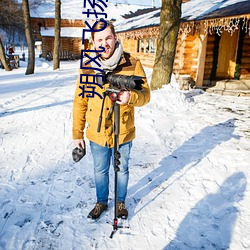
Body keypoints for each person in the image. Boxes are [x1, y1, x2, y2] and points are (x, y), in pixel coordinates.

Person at [72, 20, 150, 220]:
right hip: (97, 133)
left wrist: (130, 97)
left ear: (115, 38)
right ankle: (101, 202)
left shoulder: (132, 63)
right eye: (99, 39)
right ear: (93, 41)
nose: (104, 43)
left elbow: (146, 95)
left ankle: (121, 202)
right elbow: (80, 102)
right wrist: (77, 134)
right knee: (100, 170)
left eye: (108, 38)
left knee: (122, 168)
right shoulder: (88, 66)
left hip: (123, 130)